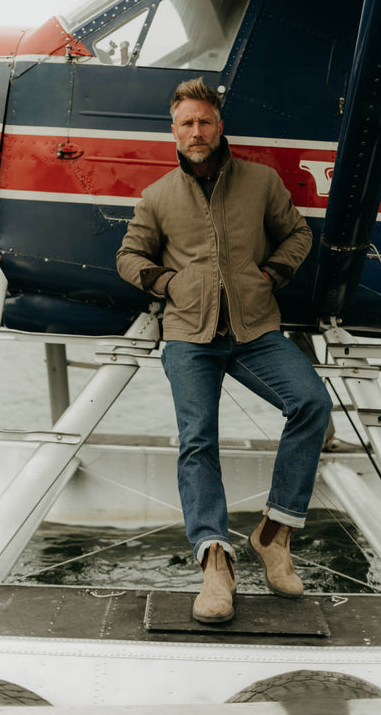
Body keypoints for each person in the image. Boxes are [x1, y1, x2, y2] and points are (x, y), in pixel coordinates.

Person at [116, 78, 331, 624]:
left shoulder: (260, 181)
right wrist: (168, 285)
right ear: (174, 130)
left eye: (204, 121)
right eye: (186, 123)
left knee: (311, 403)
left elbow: (298, 235)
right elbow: (128, 256)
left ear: (219, 125)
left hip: (256, 330)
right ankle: (215, 562)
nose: (196, 131)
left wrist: (272, 273)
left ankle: (275, 533)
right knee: (197, 440)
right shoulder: (159, 195)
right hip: (189, 335)